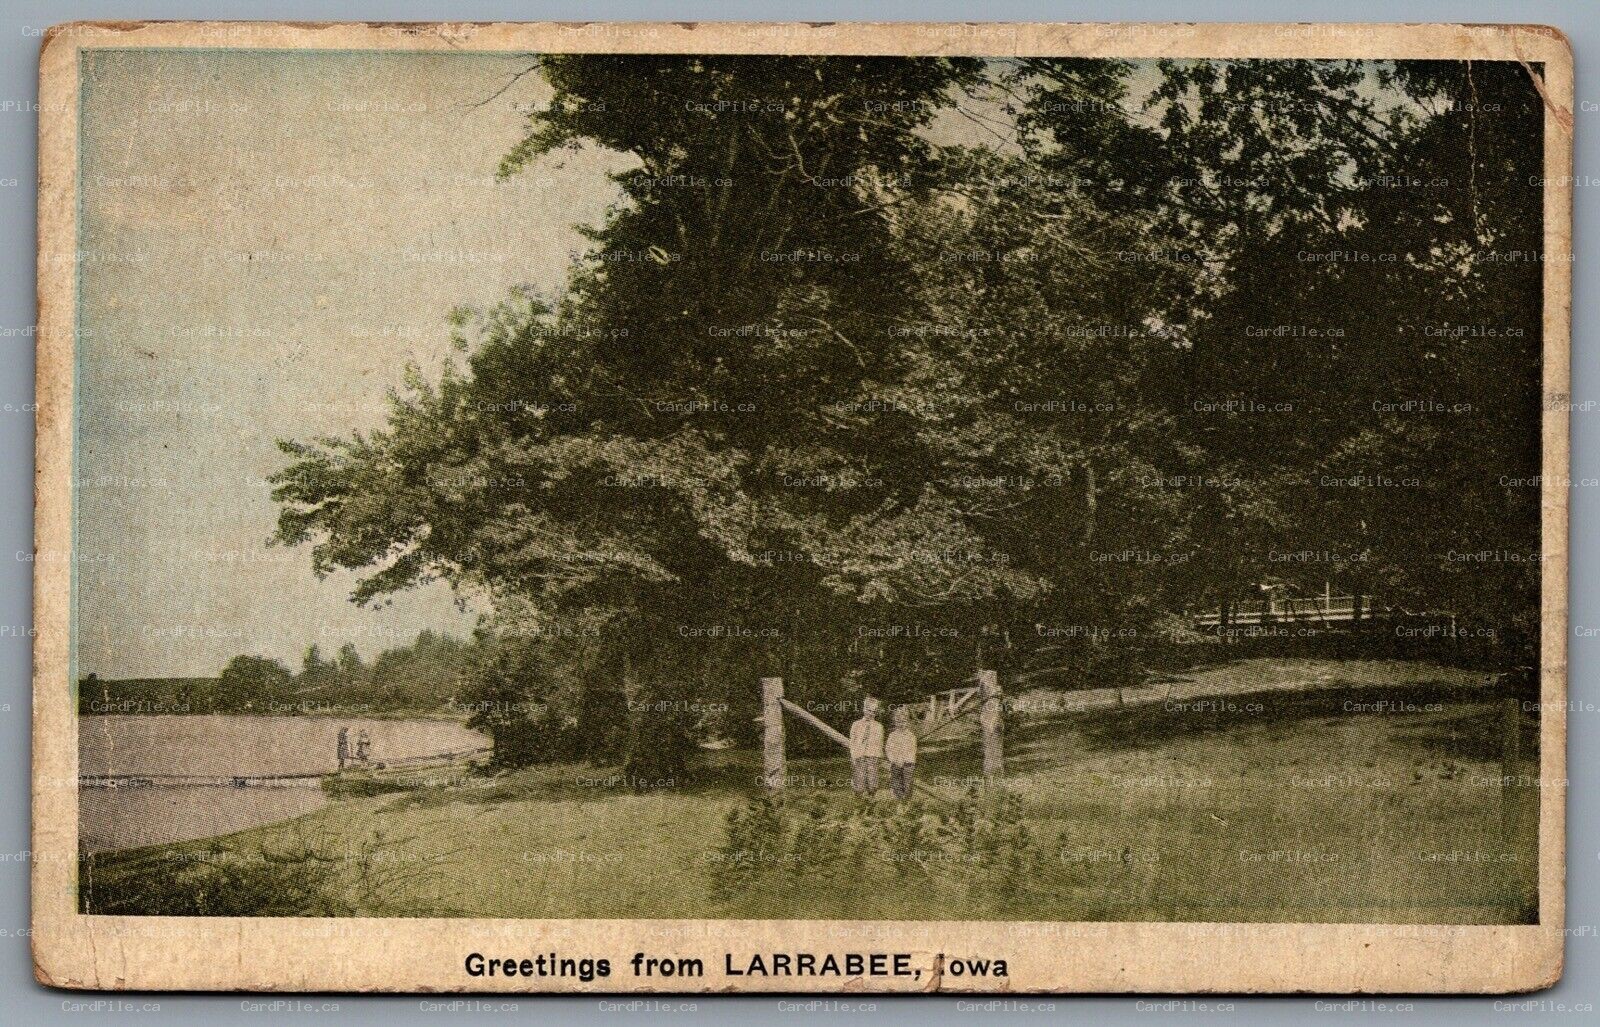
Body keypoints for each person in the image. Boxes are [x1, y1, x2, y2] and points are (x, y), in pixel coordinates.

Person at [847, 697, 884, 797]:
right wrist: (854, 756)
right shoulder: (856, 725)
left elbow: (879, 743)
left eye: (873, 711)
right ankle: (858, 797)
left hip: (872, 755)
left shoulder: (879, 726)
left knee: (872, 780)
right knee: (859, 778)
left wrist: (877, 756)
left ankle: (871, 797)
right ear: (864, 709)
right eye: (869, 710)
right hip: (859, 755)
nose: (871, 713)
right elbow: (852, 742)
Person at [886, 707, 918, 801]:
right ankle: (899, 799)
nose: (901, 724)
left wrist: (906, 761)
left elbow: (912, 750)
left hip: (908, 763)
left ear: (907, 722)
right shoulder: (892, 736)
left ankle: (907, 799)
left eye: (903, 722)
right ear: (895, 723)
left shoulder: (911, 736)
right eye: (899, 722)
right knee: (896, 781)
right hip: (895, 762)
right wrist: (893, 759)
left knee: (907, 782)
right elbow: (888, 749)